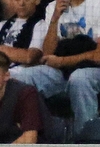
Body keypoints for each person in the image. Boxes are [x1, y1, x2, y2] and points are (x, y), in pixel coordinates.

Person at [33, 0, 100, 137]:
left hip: (93, 69)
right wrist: (55, 18)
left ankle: (87, 142)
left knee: (80, 78)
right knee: (27, 76)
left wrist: (62, 61)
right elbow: (47, 53)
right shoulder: (53, 6)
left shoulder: (97, 5)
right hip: (61, 69)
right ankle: (32, 136)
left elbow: (98, 56)